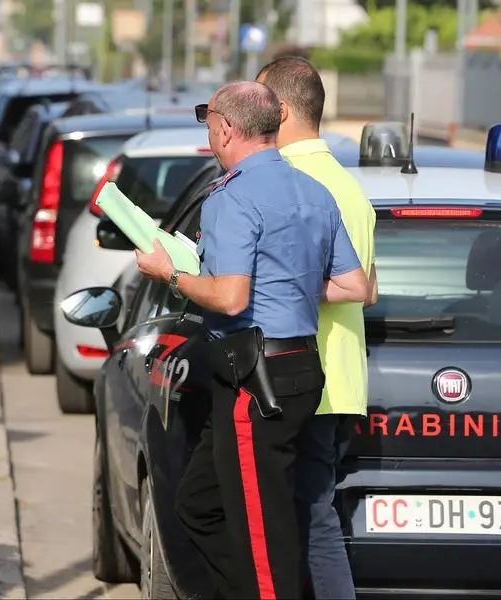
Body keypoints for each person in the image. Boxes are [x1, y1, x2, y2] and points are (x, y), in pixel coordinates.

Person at [134, 81, 370, 599]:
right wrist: (284, 281)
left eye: (207, 119)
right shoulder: (315, 190)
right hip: (299, 369)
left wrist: (168, 274)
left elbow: (231, 298)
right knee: (200, 502)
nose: (209, 131)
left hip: (254, 379)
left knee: (264, 535)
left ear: (226, 128)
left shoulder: (232, 195)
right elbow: (356, 286)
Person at [256, 56, 377, 600]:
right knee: (308, 514)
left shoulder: (290, 183)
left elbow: (350, 286)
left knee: (309, 516)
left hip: (298, 377)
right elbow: (365, 285)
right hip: (341, 380)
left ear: (279, 111)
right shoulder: (351, 187)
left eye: (258, 105)